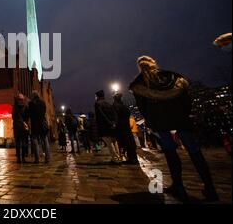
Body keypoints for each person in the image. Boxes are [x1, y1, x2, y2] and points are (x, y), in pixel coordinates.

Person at [130, 55, 219, 202]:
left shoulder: (140, 82)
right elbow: (186, 101)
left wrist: (151, 121)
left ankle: (179, 186)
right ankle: (210, 187)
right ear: (153, 63)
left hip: (160, 122)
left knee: (171, 153)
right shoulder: (172, 77)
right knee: (194, 152)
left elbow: (143, 107)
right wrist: (183, 114)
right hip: (180, 119)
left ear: (140, 66)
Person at [94, 90, 122, 164]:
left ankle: (115, 159)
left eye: (95, 96)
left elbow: (101, 115)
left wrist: (109, 123)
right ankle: (118, 157)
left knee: (109, 143)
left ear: (97, 96)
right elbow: (115, 114)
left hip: (105, 126)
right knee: (114, 142)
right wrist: (114, 123)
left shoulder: (97, 104)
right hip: (113, 125)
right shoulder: (108, 104)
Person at [113, 93, 139, 165]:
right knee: (130, 144)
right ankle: (133, 158)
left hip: (121, 128)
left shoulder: (116, 106)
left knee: (125, 144)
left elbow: (116, 117)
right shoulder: (124, 106)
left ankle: (132, 159)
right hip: (126, 127)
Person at [28, 91, 50, 163]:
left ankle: (37, 159)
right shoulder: (42, 103)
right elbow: (44, 112)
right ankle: (47, 158)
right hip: (42, 124)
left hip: (35, 125)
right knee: (45, 140)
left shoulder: (31, 104)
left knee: (35, 141)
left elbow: (30, 114)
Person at [12, 94, 29, 163]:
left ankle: (19, 158)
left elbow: (13, 117)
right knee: (24, 143)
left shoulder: (14, 107)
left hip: (17, 127)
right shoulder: (25, 107)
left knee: (18, 143)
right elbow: (27, 117)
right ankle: (23, 158)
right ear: (23, 100)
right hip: (23, 127)